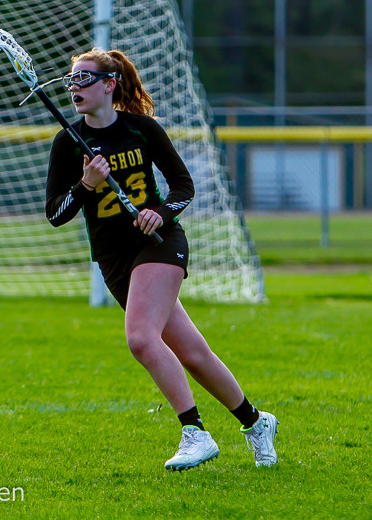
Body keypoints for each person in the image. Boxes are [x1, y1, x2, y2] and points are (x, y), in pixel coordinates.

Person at [45, 49, 278, 471]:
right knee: (193, 353)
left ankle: (195, 432)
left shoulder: (142, 129)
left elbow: (183, 186)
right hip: (114, 259)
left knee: (140, 337)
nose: (74, 88)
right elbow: (56, 215)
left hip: (158, 243)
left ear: (109, 84)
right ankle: (257, 423)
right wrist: (86, 183)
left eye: (84, 79)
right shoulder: (68, 142)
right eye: (70, 80)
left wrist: (162, 213)